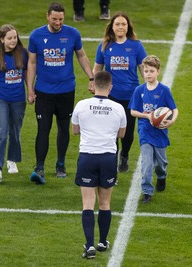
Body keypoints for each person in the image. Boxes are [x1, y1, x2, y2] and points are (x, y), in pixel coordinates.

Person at [27, 2, 94, 185]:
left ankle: (60, 164)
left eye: (61, 19)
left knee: (64, 128)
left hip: (66, 91)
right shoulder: (36, 35)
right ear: (47, 16)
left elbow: (81, 55)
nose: (58, 23)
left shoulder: (72, 33)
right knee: (43, 129)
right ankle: (39, 167)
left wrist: (91, 77)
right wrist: (30, 88)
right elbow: (31, 63)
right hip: (44, 92)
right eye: (55, 19)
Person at [72, 71, 126, 259]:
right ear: (110, 87)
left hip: (87, 156)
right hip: (108, 158)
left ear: (93, 86)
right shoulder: (118, 108)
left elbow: (75, 130)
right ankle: (103, 241)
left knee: (88, 203)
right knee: (105, 203)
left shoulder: (81, 105)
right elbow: (121, 135)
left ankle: (89, 246)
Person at [93, 12, 147, 173]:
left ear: (128, 26)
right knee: (113, 131)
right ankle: (114, 160)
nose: (121, 27)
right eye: (118, 24)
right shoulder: (104, 46)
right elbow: (97, 68)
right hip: (111, 96)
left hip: (131, 96)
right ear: (112, 26)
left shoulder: (136, 46)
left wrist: (148, 87)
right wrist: (95, 85)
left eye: (124, 24)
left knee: (128, 133)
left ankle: (124, 154)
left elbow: (143, 68)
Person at [128, 55, 179, 203]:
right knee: (147, 163)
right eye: (145, 71)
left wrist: (171, 121)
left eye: (151, 71)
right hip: (145, 131)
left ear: (158, 71)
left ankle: (162, 177)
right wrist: (149, 116)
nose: (148, 74)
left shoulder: (164, 90)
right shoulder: (139, 90)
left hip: (160, 132)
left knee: (161, 164)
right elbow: (133, 111)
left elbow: (174, 110)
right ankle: (147, 192)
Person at [0, 24, 28, 186]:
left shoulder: (23, 54)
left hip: (18, 100)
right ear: (2, 39)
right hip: (1, 100)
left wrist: (30, 91)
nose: (13, 41)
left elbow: (27, 75)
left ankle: (12, 159)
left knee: (15, 131)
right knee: (1, 133)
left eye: (15, 37)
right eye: (9, 38)